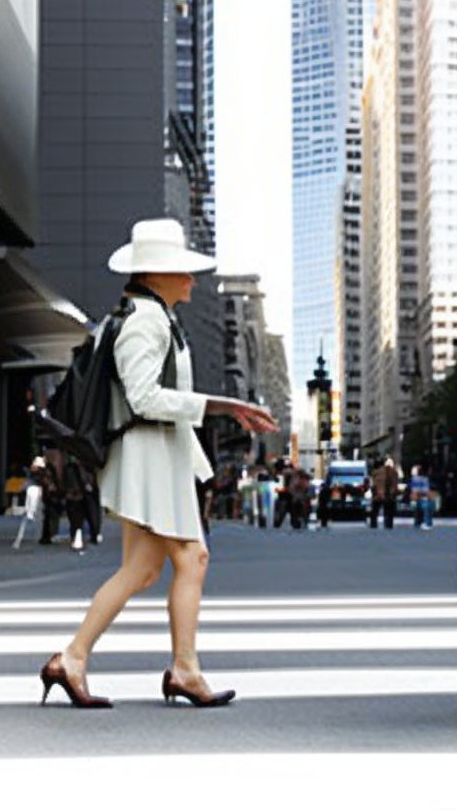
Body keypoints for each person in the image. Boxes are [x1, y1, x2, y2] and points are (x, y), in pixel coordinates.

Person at [39, 219, 278, 709]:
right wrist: (223, 405)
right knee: (193, 558)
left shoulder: (151, 316)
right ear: (156, 275)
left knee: (142, 570)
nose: (191, 280)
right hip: (149, 453)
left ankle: (72, 659)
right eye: (182, 271)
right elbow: (143, 397)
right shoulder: (145, 321)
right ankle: (184, 669)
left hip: (154, 454)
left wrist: (217, 408)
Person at [35, 456, 62, 545]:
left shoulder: (46, 470)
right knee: (50, 516)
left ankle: (48, 536)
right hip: (50, 496)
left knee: (48, 516)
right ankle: (49, 535)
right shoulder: (49, 470)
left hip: (49, 496)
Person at [369, 457, 398, 529]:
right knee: (389, 511)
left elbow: (373, 485)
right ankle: (389, 524)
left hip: (378, 494)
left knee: (375, 510)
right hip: (390, 494)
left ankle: (373, 524)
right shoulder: (394, 471)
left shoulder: (376, 472)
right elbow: (395, 483)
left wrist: (374, 493)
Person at [410, 465, 433, 530]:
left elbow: (413, 490)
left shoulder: (414, 479)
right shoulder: (425, 479)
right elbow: (426, 490)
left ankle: (417, 523)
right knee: (426, 510)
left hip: (417, 498)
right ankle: (427, 523)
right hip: (423, 498)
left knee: (417, 511)